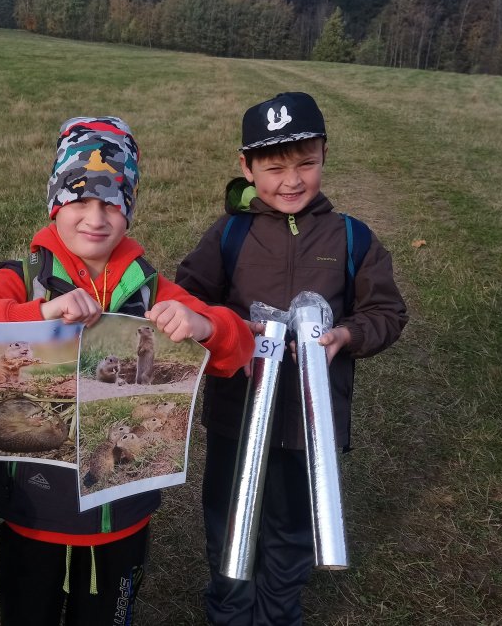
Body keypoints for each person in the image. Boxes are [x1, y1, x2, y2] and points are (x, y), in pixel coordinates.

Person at [0, 117, 254, 626]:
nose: (95, 218)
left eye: (112, 204)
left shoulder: (151, 288)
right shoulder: (22, 280)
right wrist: (36, 315)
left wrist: (206, 324)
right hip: (32, 516)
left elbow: (238, 351)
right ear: (55, 204)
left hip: (121, 520)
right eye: (79, 200)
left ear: (129, 209)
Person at [175, 92, 409, 625]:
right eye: (274, 168)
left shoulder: (352, 238)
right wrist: (224, 329)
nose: (292, 181)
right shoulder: (230, 234)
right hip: (237, 417)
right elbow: (190, 298)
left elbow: (387, 312)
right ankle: (230, 611)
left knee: (293, 530)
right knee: (230, 523)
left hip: (312, 425)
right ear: (247, 168)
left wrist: (347, 335)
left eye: (306, 163)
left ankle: (279, 612)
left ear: (325, 155)